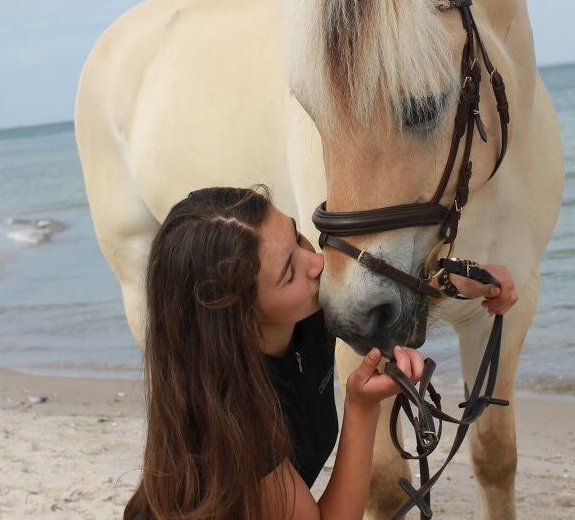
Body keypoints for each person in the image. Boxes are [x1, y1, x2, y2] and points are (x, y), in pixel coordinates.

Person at [124, 186, 518, 519]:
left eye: (296, 237)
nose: (316, 263)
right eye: (288, 273)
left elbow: (381, 297)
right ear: (240, 319)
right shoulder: (230, 418)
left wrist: (467, 282)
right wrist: (361, 409)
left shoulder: (300, 313)